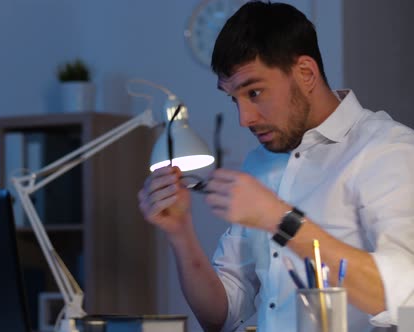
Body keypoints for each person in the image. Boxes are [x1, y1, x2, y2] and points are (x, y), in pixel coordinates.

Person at [138, 1, 414, 331]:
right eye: (233, 99)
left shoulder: (387, 150)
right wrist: (180, 232)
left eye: (254, 92)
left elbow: (405, 297)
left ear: (306, 74)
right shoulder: (260, 163)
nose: (244, 118)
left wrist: (279, 219)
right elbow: (219, 316)